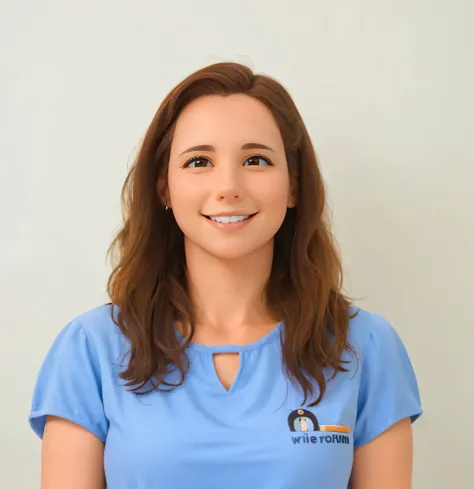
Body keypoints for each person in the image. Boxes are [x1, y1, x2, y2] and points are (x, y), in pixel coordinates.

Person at [28, 62, 423, 489]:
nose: (228, 186)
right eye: (199, 161)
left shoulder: (365, 347)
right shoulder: (90, 349)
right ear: (164, 186)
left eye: (256, 159)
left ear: (293, 184)